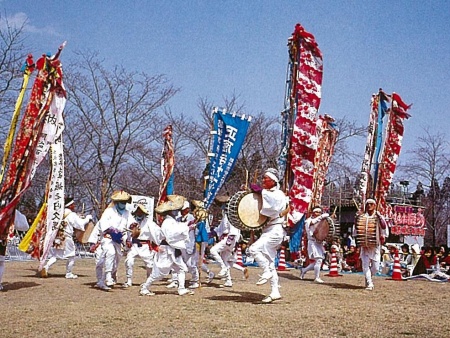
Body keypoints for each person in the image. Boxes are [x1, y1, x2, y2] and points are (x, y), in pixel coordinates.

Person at [140, 196, 194, 296]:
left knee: (181, 268)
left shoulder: (172, 221)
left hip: (173, 249)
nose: (177, 212)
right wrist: (188, 228)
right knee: (160, 272)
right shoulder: (168, 222)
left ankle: (181, 288)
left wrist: (188, 226)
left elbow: (179, 229)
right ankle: (145, 287)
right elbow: (172, 235)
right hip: (167, 249)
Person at [248, 168, 287, 303]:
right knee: (270, 262)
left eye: (266, 178)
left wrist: (259, 191)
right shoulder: (269, 193)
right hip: (270, 229)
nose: (263, 180)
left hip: (276, 229)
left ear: (273, 181)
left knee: (253, 249)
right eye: (263, 178)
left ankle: (266, 272)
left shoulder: (278, 194)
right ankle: (275, 291)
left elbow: (273, 207)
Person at [41, 198, 93, 279]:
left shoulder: (59, 214)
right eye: (73, 204)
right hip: (67, 238)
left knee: (55, 255)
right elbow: (79, 224)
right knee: (71, 255)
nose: (74, 206)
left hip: (58, 237)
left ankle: (46, 267)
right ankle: (69, 273)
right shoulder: (71, 214)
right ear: (70, 206)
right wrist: (87, 218)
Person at [209, 196, 248, 288]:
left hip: (229, 239)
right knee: (225, 260)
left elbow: (233, 230)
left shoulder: (231, 216)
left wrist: (229, 242)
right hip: (228, 239)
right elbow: (220, 229)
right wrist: (211, 233)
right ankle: (228, 280)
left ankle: (223, 268)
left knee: (213, 251)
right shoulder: (225, 215)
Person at [97, 190, 134, 288]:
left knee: (116, 261)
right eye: (121, 202)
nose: (123, 204)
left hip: (119, 240)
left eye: (125, 202)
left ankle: (103, 280)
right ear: (117, 202)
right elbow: (103, 224)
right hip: (108, 238)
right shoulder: (109, 211)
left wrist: (133, 227)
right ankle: (108, 277)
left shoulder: (127, 213)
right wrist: (111, 230)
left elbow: (131, 224)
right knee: (110, 253)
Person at [353, 198, 388, 291]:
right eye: (368, 204)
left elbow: (384, 227)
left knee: (376, 268)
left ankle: (368, 277)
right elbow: (356, 230)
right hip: (364, 246)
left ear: (375, 205)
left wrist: (380, 217)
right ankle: (369, 283)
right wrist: (356, 219)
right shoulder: (362, 216)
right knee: (365, 265)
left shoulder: (378, 217)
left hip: (375, 245)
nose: (369, 206)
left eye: (371, 204)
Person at [166, 200, 201, 289]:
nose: (182, 211)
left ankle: (195, 280)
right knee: (176, 262)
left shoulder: (192, 218)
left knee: (190, 264)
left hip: (189, 243)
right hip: (179, 244)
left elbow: (196, 232)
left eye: (184, 209)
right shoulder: (177, 219)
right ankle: (175, 280)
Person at [123, 204, 160, 288]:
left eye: (141, 211)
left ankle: (148, 281)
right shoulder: (131, 222)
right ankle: (129, 280)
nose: (139, 213)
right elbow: (125, 232)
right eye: (138, 211)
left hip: (145, 246)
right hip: (134, 245)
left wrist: (157, 244)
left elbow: (157, 233)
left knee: (149, 264)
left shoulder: (150, 223)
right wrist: (127, 240)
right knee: (129, 261)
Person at [300, 206, 329, 283]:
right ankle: (317, 277)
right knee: (318, 260)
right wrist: (322, 216)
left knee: (318, 261)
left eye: (320, 212)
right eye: (317, 212)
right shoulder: (308, 221)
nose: (318, 214)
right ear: (313, 212)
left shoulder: (321, 221)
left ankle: (304, 270)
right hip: (312, 242)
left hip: (319, 242)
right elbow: (313, 223)